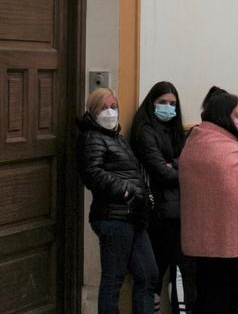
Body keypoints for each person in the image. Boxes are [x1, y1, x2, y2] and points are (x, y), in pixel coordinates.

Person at [180, 92, 238, 313]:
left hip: (204, 238)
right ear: (223, 117)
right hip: (230, 239)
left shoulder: (198, 139)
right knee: (221, 292)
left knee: (210, 290)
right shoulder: (224, 147)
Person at [77, 88, 159, 314]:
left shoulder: (117, 138)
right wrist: (127, 191)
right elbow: (92, 173)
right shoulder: (92, 137)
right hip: (114, 218)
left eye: (114, 107)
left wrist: (144, 197)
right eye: (104, 108)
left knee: (148, 275)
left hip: (133, 216)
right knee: (113, 280)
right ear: (93, 111)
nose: (110, 112)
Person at [128, 81, 194, 311]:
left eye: (172, 103)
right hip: (158, 211)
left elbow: (189, 163)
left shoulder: (175, 130)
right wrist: (180, 168)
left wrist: (175, 164)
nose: (168, 107)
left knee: (176, 269)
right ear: (151, 103)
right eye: (162, 103)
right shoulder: (144, 130)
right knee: (157, 269)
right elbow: (161, 173)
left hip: (177, 209)